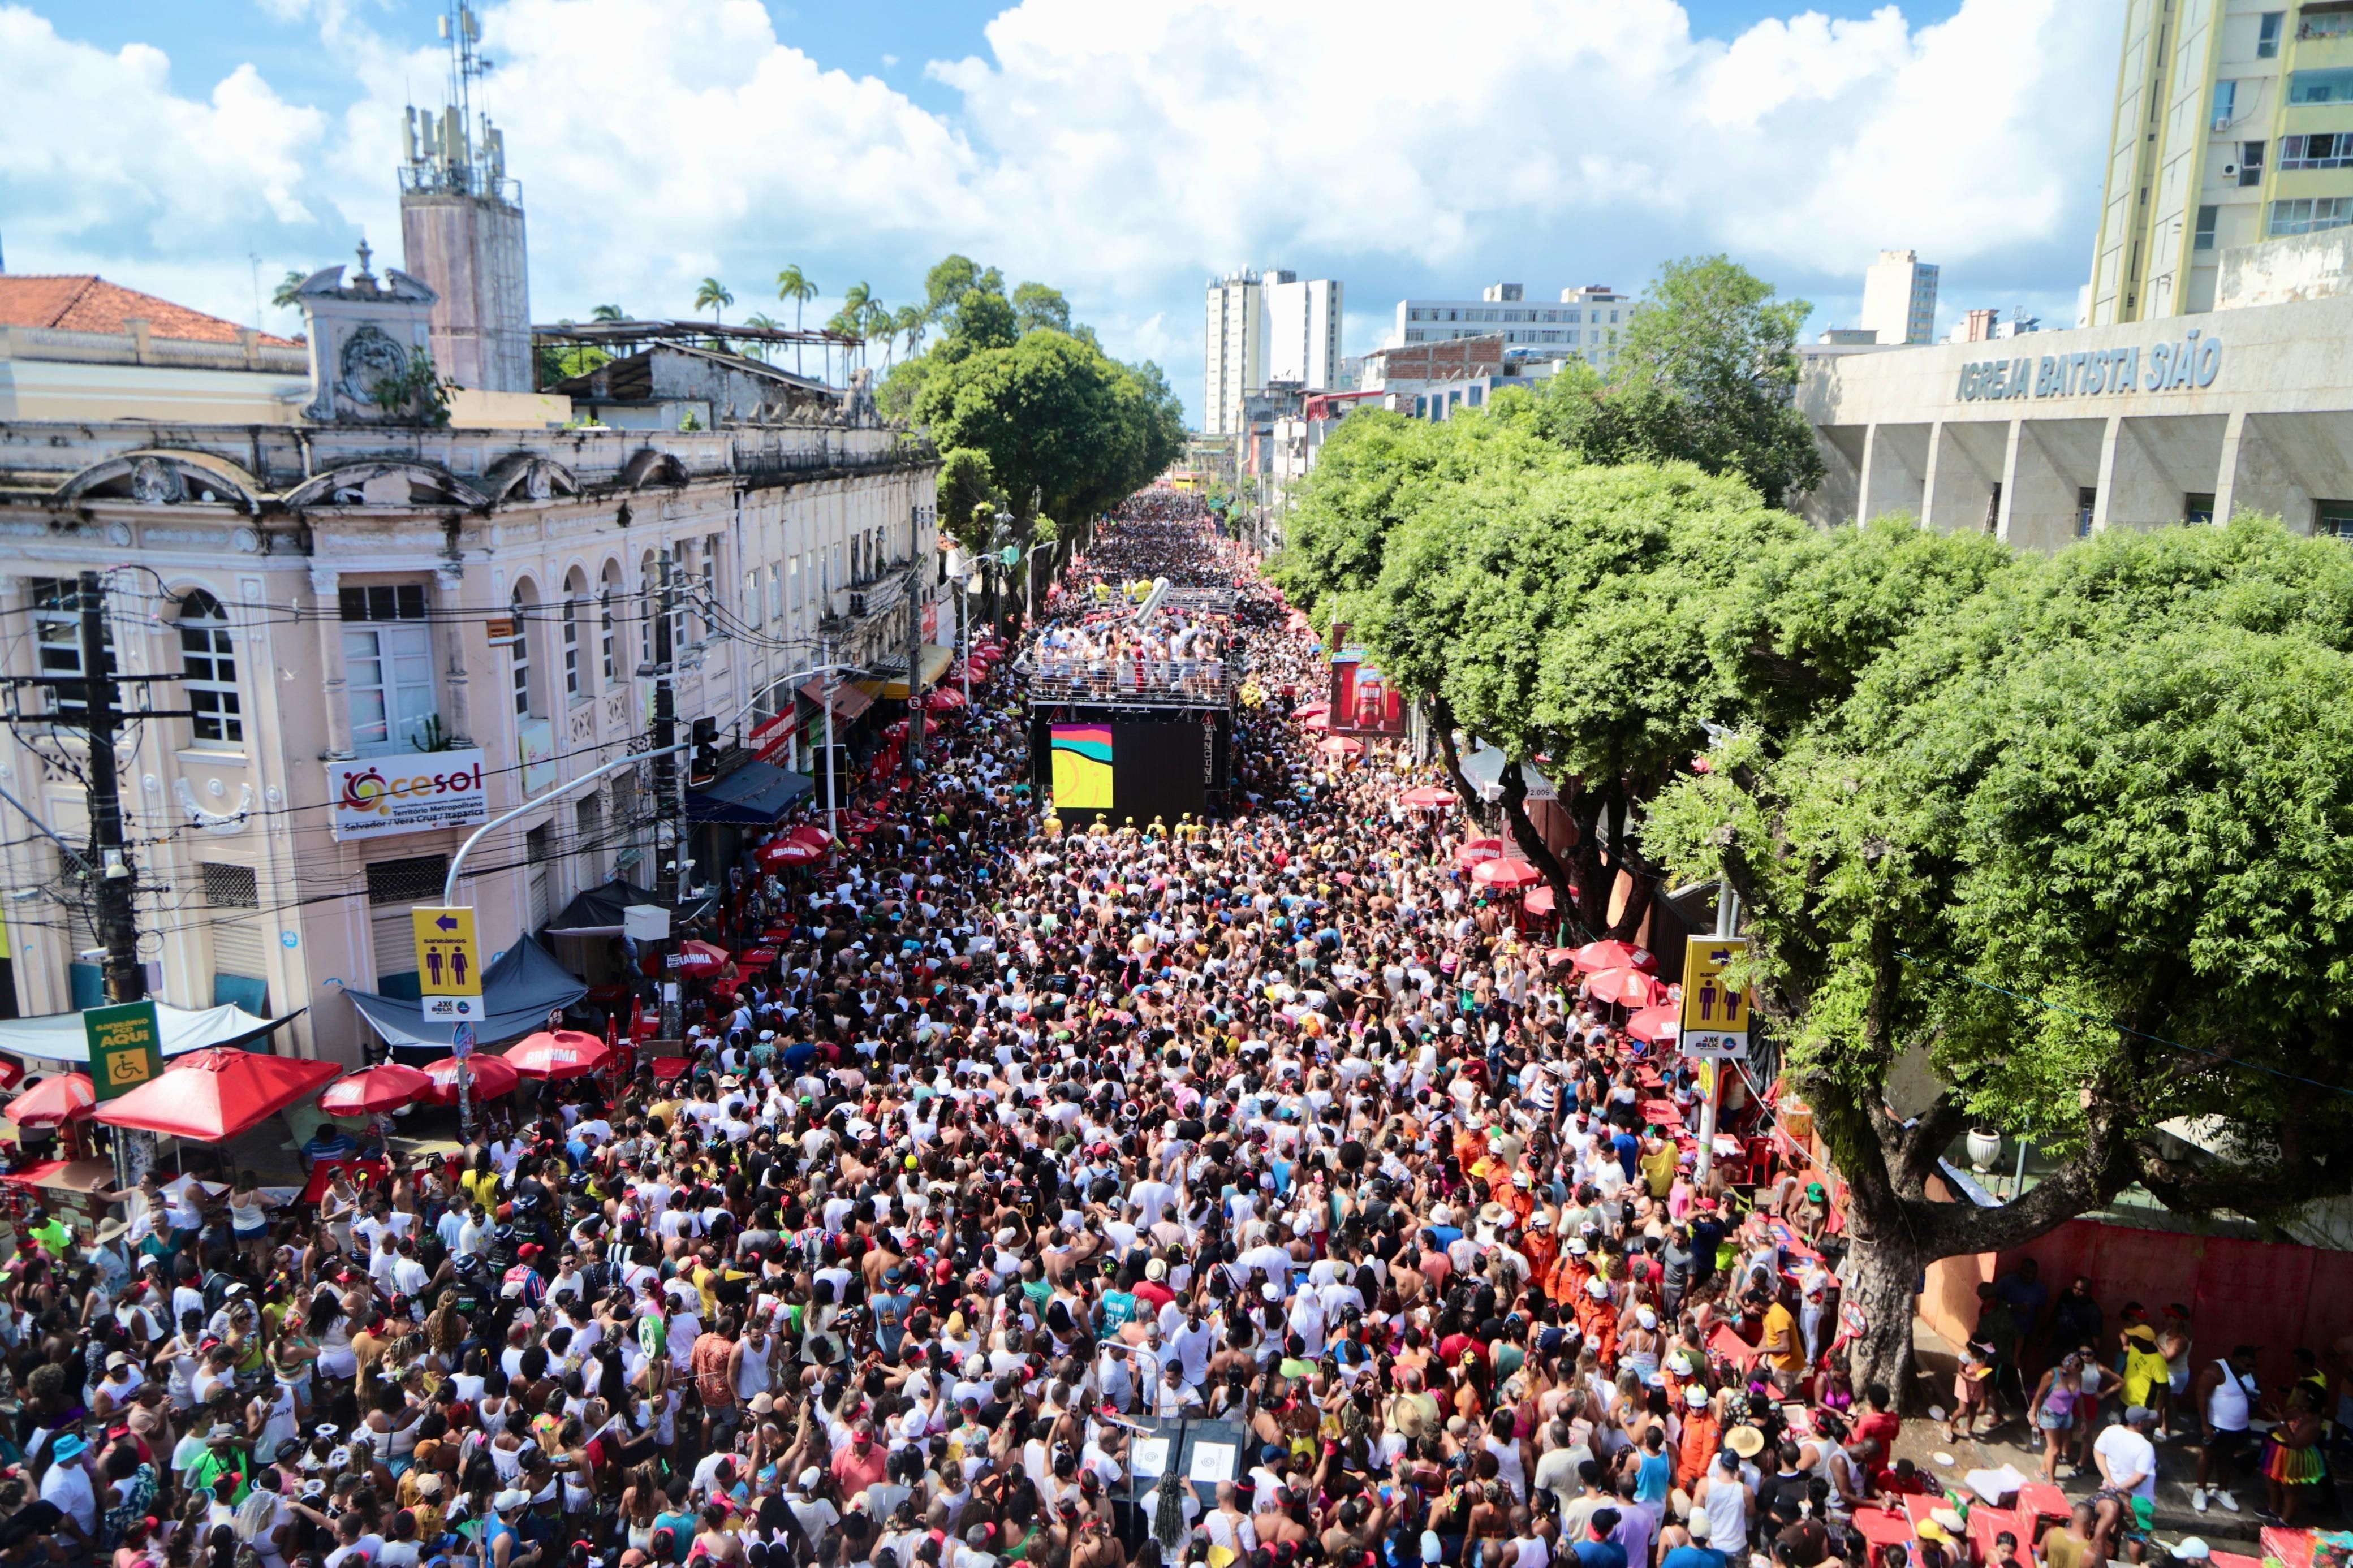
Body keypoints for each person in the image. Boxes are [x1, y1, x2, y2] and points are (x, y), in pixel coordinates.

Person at [2192, 1344, 2260, 1514]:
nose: (2250, 1368)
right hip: (2216, 1425)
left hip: (2238, 1427)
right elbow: (2201, 1395)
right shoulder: (2215, 1369)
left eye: (2253, 1365)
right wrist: (2205, 1424)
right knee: (2207, 1456)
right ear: (2235, 1359)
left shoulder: (2249, 1373)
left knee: (2227, 1457)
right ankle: (2200, 1491)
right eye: (2246, 1364)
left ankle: (2223, 1491)